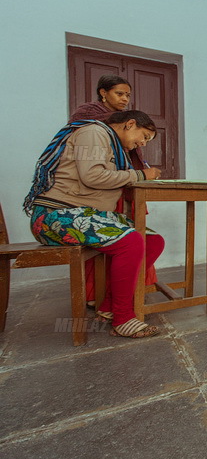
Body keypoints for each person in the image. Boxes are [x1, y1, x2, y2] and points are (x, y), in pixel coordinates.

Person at [23, 110, 163, 338]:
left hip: (82, 213)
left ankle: (109, 307)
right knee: (131, 242)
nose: (143, 143)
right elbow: (93, 176)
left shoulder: (111, 143)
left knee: (152, 240)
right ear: (130, 124)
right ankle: (123, 318)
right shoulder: (94, 132)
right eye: (144, 136)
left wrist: (135, 175)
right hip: (55, 216)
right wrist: (140, 175)